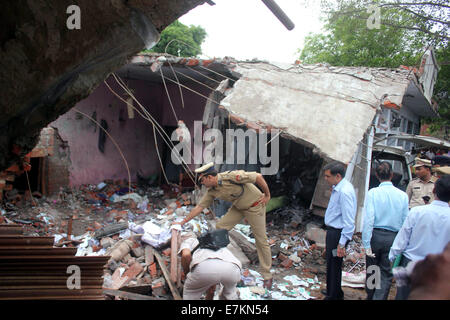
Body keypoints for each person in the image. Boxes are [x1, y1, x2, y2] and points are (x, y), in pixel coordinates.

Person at [175, 162, 274, 289]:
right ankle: (220, 264)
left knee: (261, 239)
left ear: (210, 177)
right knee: (219, 229)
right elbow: (200, 207)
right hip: (238, 207)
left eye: (203, 180)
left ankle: (267, 275)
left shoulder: (231, 176)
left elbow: (258, 176)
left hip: (255, 206)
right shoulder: (212, 191)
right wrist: (182, 222)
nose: (202, 184)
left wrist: (267, 195)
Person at [389, 175, 450, 299]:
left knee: (403, 296)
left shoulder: (417, 212)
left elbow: (402, 239)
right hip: (437, 269)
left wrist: (392, 256)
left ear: (434, 190)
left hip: (410, 264)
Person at [361, 162, 409, 300]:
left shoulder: (373, 193)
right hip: (393, 238)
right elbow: (405, 222)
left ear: (376, 175)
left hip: (375, 236)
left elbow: (369, 219)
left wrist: (366, 243)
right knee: (386, 273)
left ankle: (370, 296)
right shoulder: (403, 196)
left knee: (372, 270)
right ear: (392, 175)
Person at [322, 162, 357, 300]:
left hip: (338, 235)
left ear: (337, 176)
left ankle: (334, 296)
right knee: (331, 262)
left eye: (327, 176)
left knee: (335, 263)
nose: (326, 179)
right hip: (333, 233)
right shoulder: (338, 187)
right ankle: (332, 291)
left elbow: (349, 221)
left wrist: (342, 243)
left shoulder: (344, 192)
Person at [179, 234, 242, 300]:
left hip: (205, 267)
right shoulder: (216, 243)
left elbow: (186, 255)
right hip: (233, 267)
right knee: (229, 294)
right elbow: (214, 277)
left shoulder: (188, 241)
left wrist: (188, 275)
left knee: (191, 293)